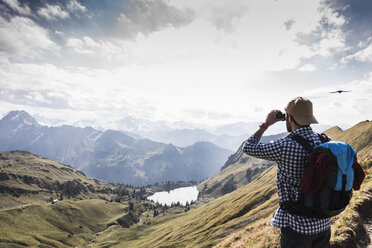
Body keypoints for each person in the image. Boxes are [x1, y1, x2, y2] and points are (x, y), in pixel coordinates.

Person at [242, 97, 331, 248]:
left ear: (289, 118)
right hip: (324, 222)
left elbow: (248, 147)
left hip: (297, 227)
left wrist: (266, 124)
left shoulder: (285, 146)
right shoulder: (325, 140)